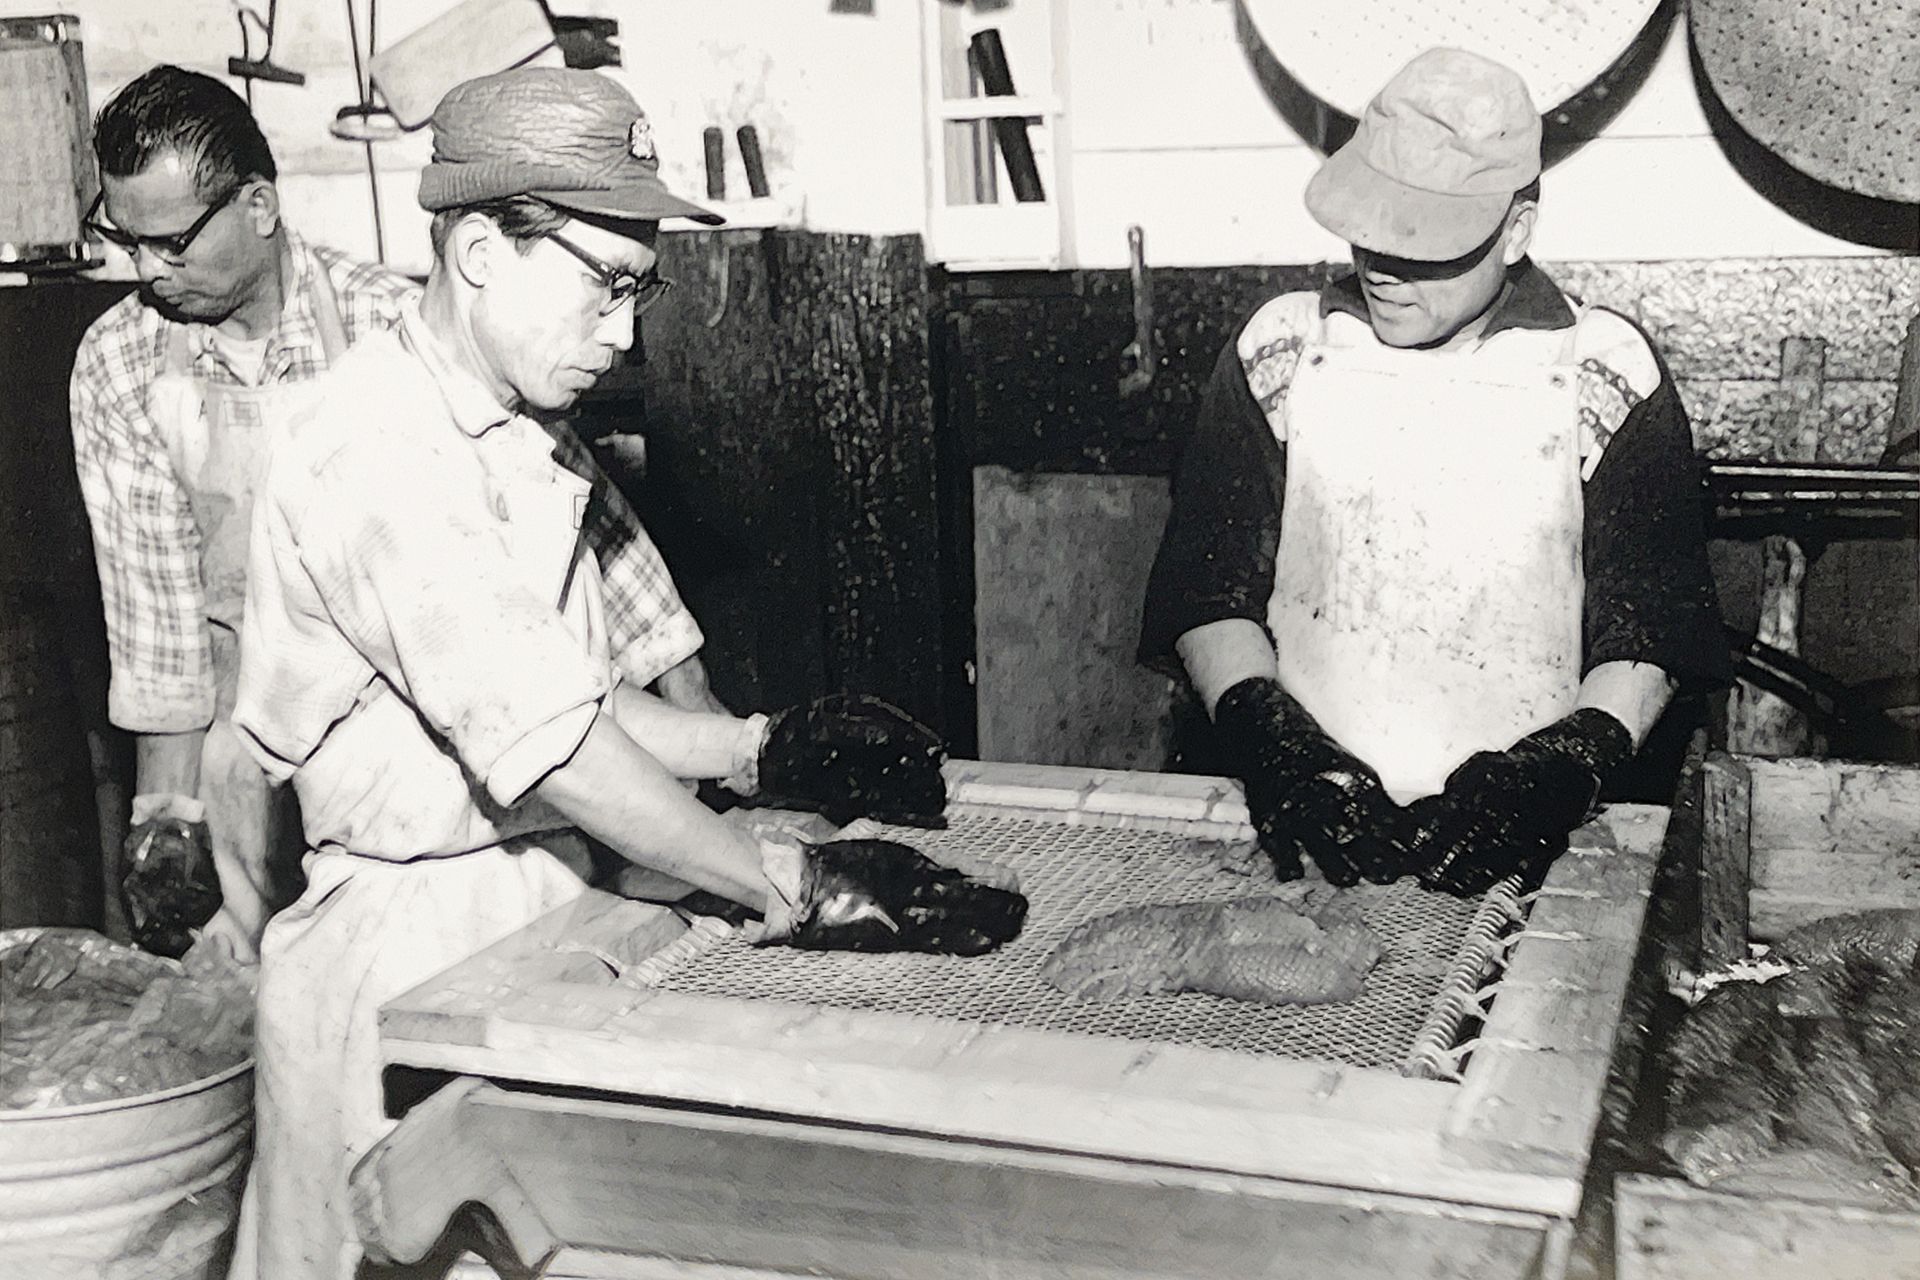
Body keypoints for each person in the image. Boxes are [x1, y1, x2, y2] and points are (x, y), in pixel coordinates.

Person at [226, 67, 1024, 1279]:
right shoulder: (371, 452)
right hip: (401, 959)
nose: (629, 328)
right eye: (606, 283)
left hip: (537, 905)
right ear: (484, 248)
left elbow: (573, 694)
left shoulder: (514, 427)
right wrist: (786, 879)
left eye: (639, 288)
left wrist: (760, 744)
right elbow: (554, 746)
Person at [1140, 48, 1726, 898]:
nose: (1381, 266)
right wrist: (1272, 738)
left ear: (1516, 230)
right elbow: (1207, 589)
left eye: (1426, 242)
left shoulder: (1602, 371)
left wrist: (1563, 765)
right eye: (1370, 229)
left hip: (1530, 845)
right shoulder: (1281, 351)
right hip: (1298, 822)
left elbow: (1653, 628)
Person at [68, 66, 417, 961]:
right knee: (246, 1012)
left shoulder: (393, 327)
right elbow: (158, 630)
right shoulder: (121, 361)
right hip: (236, 742)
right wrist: (166, 828)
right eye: (126, 239)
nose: (147, 270)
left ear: (258, 205)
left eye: (174, 242)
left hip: (400, 730)